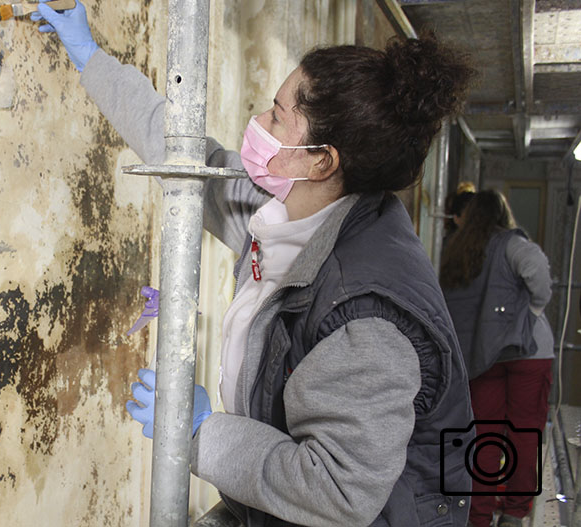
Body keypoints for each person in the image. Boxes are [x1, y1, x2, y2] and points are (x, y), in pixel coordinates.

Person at [34, 2, 477, 526]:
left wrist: (199, 432)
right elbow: (187, 155)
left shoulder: (368, 317)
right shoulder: (296, 208)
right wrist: (89, 56)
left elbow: (336, 490)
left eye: (276, 115)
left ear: (322, 159)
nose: (257, 122)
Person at [440, 190, 553, 527]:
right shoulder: (512, 244)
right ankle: (515, 513)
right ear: (502, 214)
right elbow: (540, 276)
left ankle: (478, 515)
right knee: (523, 432)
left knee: (483, 435)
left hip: (482, 357)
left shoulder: (456, 251)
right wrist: (532, 312)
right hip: (528, 353)